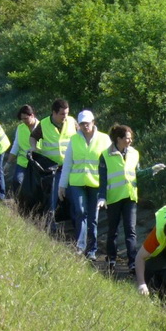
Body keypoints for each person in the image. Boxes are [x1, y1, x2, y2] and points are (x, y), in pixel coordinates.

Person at [97, 124, 166, 272]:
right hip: (113, 198)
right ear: (119, 139)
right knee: (112, 230)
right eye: (127, 138)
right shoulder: (105, 155)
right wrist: (101, 197)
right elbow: (102, 180)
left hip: (130, 196)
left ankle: (132, 262)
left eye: (130, 138)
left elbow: (138, 173)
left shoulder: (134, 153)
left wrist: (151, 171)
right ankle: (112, 259)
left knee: (130, 230)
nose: (130, 141)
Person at [58, 110, 110, 260]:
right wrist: (62, 185)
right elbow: (67, 163)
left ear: (93, 122)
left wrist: (108, 187)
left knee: (93, 216)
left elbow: (111, 163)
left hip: (96, 184)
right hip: (77, 182)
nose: (85, 126)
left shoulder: (104, 139)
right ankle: (81, 246)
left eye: (87, 123)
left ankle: (92, 249)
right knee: (80, 212)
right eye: (82, 124)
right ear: (79, 125)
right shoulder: (74, 139)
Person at [29, 98, 77, 231]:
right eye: (62, 114)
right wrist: (33, 148)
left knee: (74, 198)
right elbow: (33, 137)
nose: (65, 116)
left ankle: (76, 226)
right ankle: (49, 226)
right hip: (53, 169)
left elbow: (81, 137)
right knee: (52, 198)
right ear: (54, 113)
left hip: (71, 167)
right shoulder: (44, 124)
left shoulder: (72, 122)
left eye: (67, 113)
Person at [7, 104, 38, 196]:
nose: (24, 121)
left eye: (26, 118)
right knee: (17, 181)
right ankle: (17, 203)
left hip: (37, 163)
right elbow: (16, 145)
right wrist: (8, 162)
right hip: (23, 161)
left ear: (32, 115)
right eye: (22, 119)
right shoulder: (20, 128)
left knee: (34, 186)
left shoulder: (42, 127)